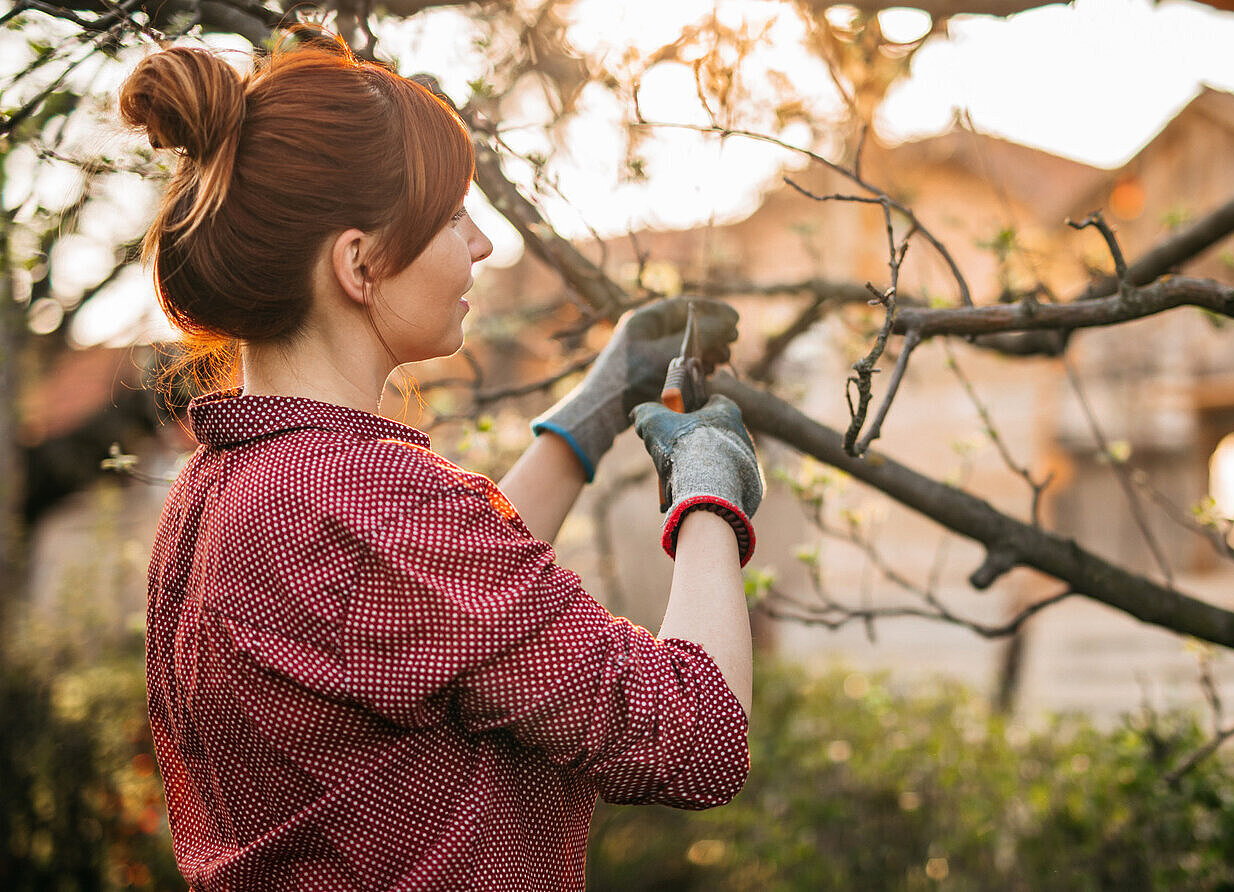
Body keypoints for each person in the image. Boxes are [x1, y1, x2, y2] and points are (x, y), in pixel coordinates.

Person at [120, 29, 761, 891]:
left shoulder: (223, 487)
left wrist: (594, 411)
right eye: (452, 217)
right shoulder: (365, 499)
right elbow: (692, 738)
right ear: (360, 263)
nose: (482, 244)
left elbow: (432, 624)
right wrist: (712, 494)